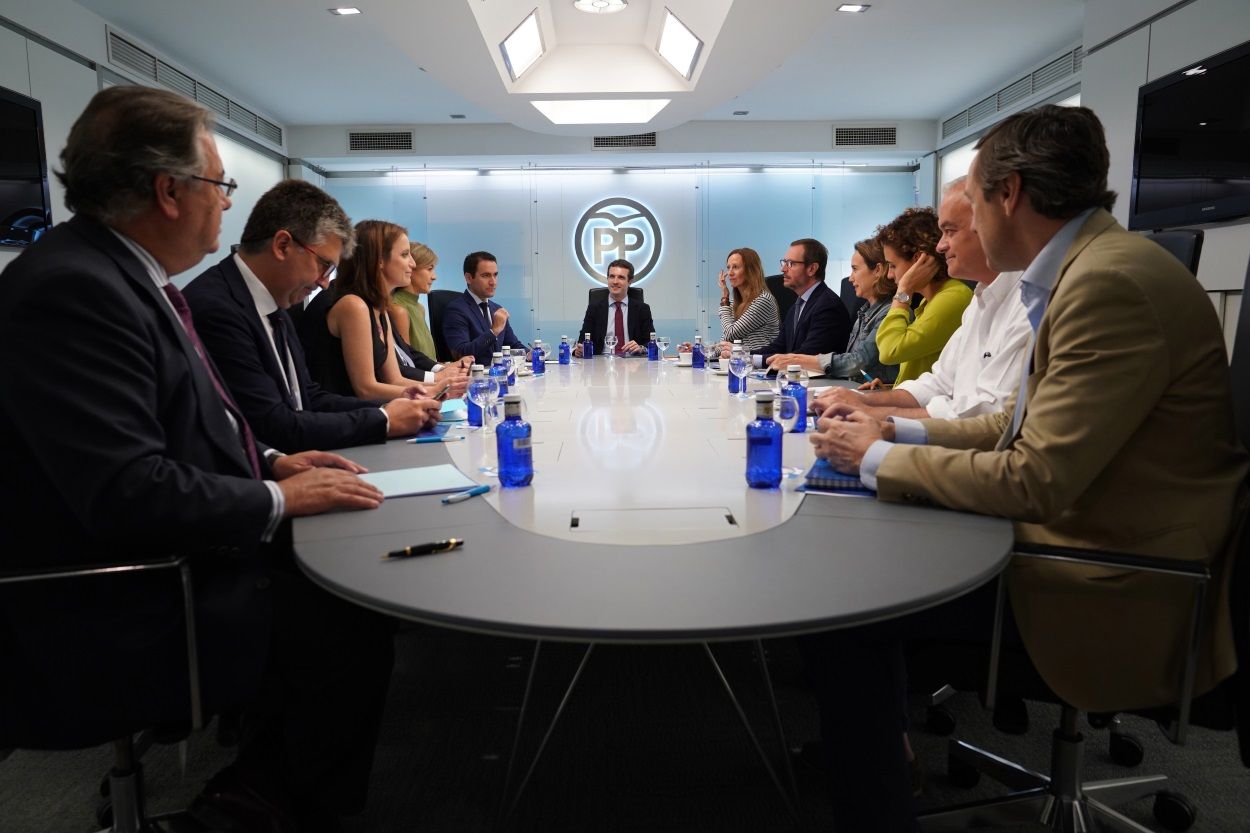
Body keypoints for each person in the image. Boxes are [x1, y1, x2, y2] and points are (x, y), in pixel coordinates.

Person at [804, 104, 1248, 832]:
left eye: (971, 206)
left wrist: (879, 455)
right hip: (1088, 533)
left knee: (846, 607)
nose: (967, 228)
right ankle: (875, 764)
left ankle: (878, 802)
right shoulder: (1089, 266)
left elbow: (1037, 477)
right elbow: (1010, 427)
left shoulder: (1106, 285)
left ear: (1008, 194)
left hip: (1116, 575)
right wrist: (894, 431)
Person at [0, 86, 397, 832]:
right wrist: (280, 500)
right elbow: (126, 490)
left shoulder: (121, 275)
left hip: (181, 549)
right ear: (169, 191)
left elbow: (198, 424)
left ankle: (270, 786)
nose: (226, 203)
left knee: (352, 577)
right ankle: (260, 804)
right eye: (221, 185)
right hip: (131, 593)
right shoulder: (73, 290)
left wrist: (275, 461)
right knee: (347, 622)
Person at [183, 180, 446, 452]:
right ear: (283, 245)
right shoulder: (219, 308)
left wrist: (393, 404)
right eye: (323, 265)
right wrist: (384, 419)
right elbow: (271, 424)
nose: (323, 283)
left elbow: (307, 397)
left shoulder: (277, 302)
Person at [812, 178, 1031, 418]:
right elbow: (940, 382)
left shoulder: (958, 297)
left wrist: (903, 291)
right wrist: (871, 401)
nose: (940, 246)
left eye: (949, 232)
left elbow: (891, 351)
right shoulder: (978, 300)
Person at [303, 219, 448, 400]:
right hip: (342, 418)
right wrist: (433, 391)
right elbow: (366, 390)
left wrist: (445, 387)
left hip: (364, 414)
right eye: (404, 255)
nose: (412, 263)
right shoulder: (353, 305)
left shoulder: (379, 306)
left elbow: (394, 380)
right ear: (379, 260)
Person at [764, 237, 897, 382]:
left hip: (868, 394)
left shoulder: (888, 312)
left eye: (854, 269)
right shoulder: (863, 312)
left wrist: (796, 360)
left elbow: (857, 361)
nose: (850, 279)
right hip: (852, 389)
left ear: (877, 270)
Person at [872, 207, 973, 386]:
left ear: (918, 260)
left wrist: (904, 289)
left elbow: (889, 351)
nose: (889, 275)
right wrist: (889, 388)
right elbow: (921, 366)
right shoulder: (930, 300)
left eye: (893, 265)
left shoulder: (952, 297)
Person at [741, 237, 850, 366]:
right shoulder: (797, 306)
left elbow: (805, 356)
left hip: (819, 383)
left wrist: (748, 360)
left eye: (791, 263)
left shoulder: (828, 306)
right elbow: (778, 347)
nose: (783, 269)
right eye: (784, 262)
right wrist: (743, 356)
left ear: (812, 269)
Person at [441, 250, 529, 364]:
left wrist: (530, 354)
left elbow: (512, 345)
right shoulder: (456, 310)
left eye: (495, 275)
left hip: (499, 375)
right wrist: (494, 331)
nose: (493, 282)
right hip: (474, 378)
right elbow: (461, 353)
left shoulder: (497, 309)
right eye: (486, 275)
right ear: (468, 278)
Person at [572, 258, 656, 356]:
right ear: (607, 279)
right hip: (601, 364)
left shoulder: (642, 309)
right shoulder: (594, 309)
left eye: (621, 277)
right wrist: (578, 351)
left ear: (630, 281)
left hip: (633, 364)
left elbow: (651, 343)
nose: (615, 281)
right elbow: (583, 342)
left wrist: (641, 348)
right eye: (612, 276)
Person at [712, 247, 779, 354]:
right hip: (739, 364)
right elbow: (726, 340)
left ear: (750, 270)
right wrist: (700, 350)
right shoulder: (734, 303)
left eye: (735, 267)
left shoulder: (763, 300)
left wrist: (725, 299)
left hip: (759, 365)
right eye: (728, 268)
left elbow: (731, 333)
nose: (730, 273)